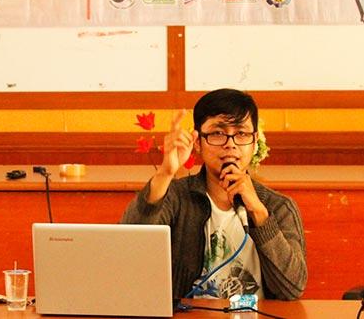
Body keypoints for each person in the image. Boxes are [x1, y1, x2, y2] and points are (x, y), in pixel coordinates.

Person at [121, 88, 307, 300]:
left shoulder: (278, 207)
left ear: (255, 142)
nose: (230, 144)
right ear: (198, 142)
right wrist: (165, 173)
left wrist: (259, 213)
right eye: (218, 133)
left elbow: (292, 289)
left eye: (241, 134)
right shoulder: (176, 198)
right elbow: (129, 250)